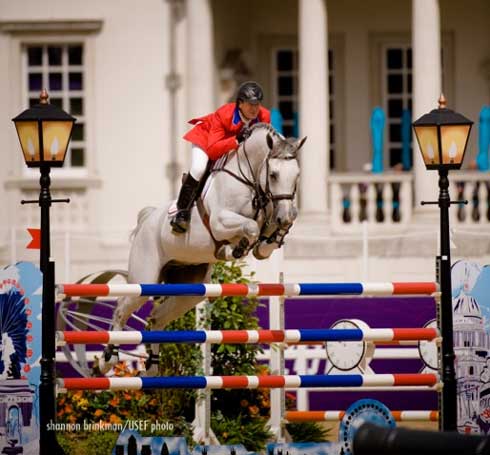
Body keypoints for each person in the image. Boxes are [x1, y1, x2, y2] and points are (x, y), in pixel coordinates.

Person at [170, 81, 271, 234]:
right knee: (199, 168)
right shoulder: (224, 114)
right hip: (206, 139)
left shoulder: (264, 115)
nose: (254, 109)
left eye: (257, 104)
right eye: (250, 104)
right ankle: (182, 212)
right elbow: (212, 150)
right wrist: (236, 140)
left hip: (231, 144)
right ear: (240, 104)